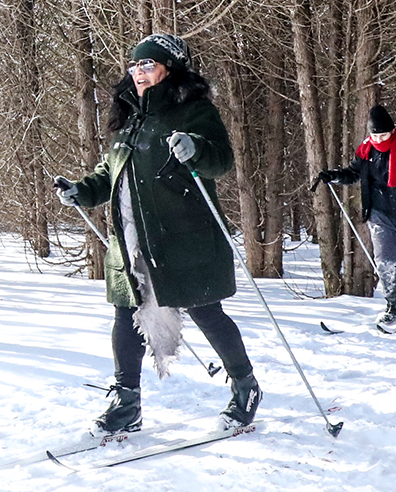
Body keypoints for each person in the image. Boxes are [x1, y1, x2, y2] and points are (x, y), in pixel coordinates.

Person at [53, 34, 259, 434]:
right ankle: (126, 402)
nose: (138, 73)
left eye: (147, 65)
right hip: (131, 240)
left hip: (183, 237)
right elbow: (111, 172)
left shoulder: (192, 110)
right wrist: (83, 190)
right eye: (134, 66)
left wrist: (195, 146)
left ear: (169, 69)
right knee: (126, 316)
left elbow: (221, 160)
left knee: (205, 312)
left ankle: (246, 386)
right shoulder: (129, 118)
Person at [316, 105, 396, 326]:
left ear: (393, 130)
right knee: (385, 261)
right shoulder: (366, 151)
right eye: (375, 134)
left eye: (383, 134)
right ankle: (393, 305)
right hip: (380, 214)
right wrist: (334, 176)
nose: (379, 139)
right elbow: (353, 173)